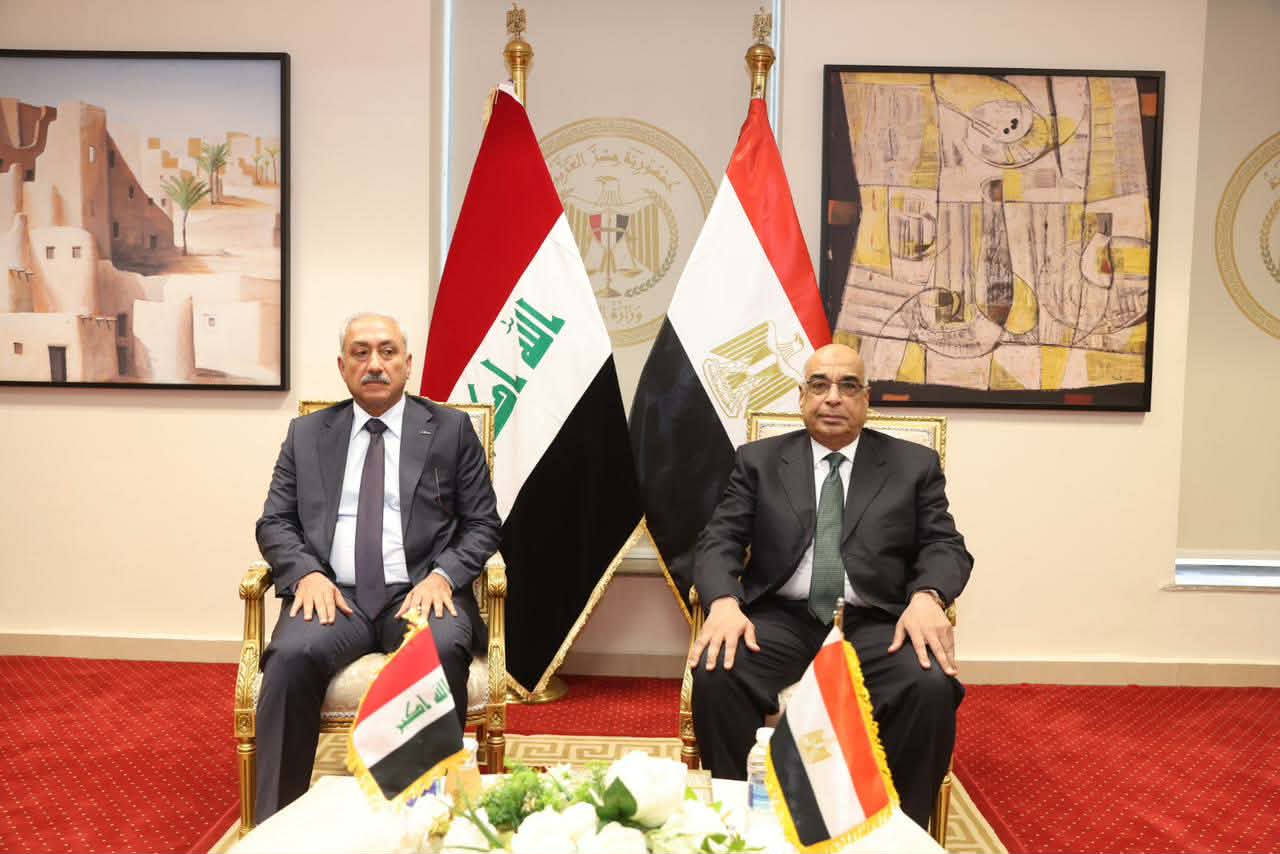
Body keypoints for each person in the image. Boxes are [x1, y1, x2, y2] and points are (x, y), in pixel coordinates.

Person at [688, 342, 972, 829]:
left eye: (848, 386)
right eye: (819, 385)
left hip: (876, 621)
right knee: (719, 672)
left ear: (866, 399)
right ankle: (736, 824)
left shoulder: (913, 465)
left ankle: (900, 831)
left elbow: (945, 546)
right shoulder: (758, 461)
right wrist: (724, 602)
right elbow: (719, 542)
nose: (833, 397)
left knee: (928, 686)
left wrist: (928, 597)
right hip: (780, 618)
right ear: (802, 397)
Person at [253, 312, 500, 822]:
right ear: (342, 366)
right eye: (360, 353)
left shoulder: (450, 431)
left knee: (439, 647)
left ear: (408, 364)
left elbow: (483, 524)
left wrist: (443, 576)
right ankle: (277, 824)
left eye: (387, 352)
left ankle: (425, 819)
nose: (374, 364)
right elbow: (274, 522)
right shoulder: (307, 434)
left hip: (418, 591)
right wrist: (307, 574)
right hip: (334, 596)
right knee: (290, 657)